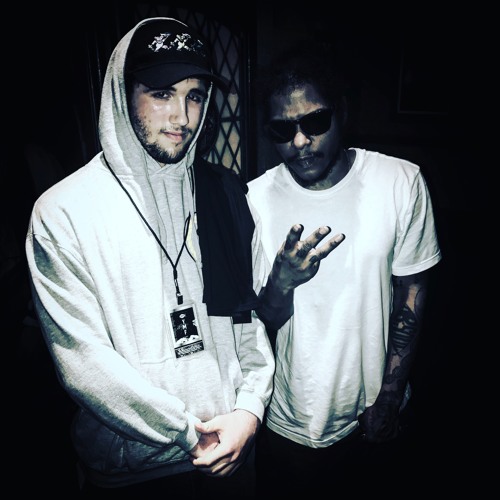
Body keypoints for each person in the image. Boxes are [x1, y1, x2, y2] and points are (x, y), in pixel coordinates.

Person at [24, 16, 306, 498]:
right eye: (161, 94)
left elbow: (249, 327)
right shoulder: (63, 212)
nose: (181, 117)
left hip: (233, 456)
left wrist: (249, 411)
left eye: (195, 96)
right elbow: (84, 362)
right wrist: (185, 431)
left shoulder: (224, 195)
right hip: (132, 474)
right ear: (122, 93)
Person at [247, 40, 443, 496]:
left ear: (343, 112)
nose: (300, 142)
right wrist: (282, 282)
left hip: (373, 416)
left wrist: (389, 397)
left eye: (315, 122)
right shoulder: (256, 199)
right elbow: (263, 321)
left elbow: (412, 290)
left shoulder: (399, 182)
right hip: (288, 421)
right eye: (282, 129)